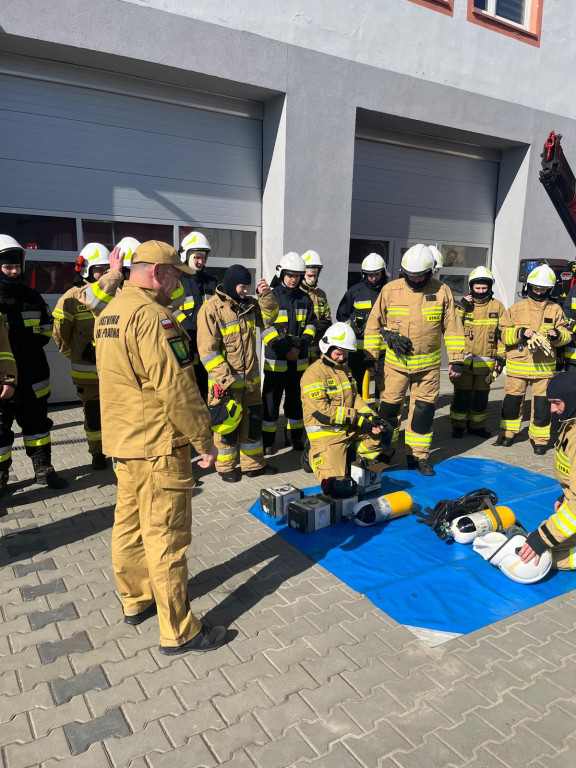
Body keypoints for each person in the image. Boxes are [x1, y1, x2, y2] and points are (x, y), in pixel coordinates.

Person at [94, 240, 226, 654]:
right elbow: (176, 388)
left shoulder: (109, 312)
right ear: (155, 273)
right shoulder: (154, 317)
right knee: (166, 536)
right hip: (158, 445)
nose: (178, 284)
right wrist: (204, 439)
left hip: (124, 443)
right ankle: (180, 631)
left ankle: (136, 600)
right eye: (175, 276)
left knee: (129, 526)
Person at [364, 244, 465, 476]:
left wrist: (457, 359)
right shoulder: (390, 290)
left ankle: (418, 456)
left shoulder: (442, 291)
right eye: (410, 275)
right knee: (389, 410)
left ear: (430, 272)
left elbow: (453, 328)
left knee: (423, 412)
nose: (415, 279)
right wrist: (371, 355)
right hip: (395, 366)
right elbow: (373, 324)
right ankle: (385, 449)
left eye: (420, 275)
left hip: (428, 369)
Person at [197, 264, 279, 482]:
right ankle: (226, 467)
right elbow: (207, 351)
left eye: (248, 287)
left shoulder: (250, 305)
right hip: (225, 385)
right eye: (243, 287)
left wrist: (266, 295)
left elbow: (269, 318)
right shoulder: (211, 309)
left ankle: (253, 465)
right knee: (227, 428)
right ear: (233, 284)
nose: (245, 291)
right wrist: (225, 379)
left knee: (252, 426)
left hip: (251, 383)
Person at [0, 235, 67, 491]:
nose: (15, 271)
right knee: (1, 430)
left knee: (38, 425)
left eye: (17, 266)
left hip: (34, 372)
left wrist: (23, 341)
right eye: (8, 267)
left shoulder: (33, 297)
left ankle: (43, 468)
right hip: (3, 378)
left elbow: (46, 329)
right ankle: (1, 477)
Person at [53, 242, 124, 469]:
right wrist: (74, 355)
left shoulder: (119, 294)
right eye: (98, 269)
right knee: (93, 416)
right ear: (85, 270)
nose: (102, 274)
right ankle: (97, 454)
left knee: (117, 413)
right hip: (87, 373)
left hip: (115, 371)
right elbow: (60, 335)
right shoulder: (72, 298)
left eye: (106, 269)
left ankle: (117, 452)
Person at [301, 322, 390, 482]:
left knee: (385, 431)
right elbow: (323, 411)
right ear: (327, 348)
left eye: (346, 353)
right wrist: (357, 418)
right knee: (336, 485)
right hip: (327, 432)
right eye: (338, 353)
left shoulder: (345, 371)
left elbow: (355, 398)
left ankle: (353, 459)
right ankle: (312, 455)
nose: (342, 358)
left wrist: (371, 417)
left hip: (347, 426)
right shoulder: (312, 375)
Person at [498, 265, 570, 455]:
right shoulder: (516, 309)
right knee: (512, 402)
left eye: (543, 289)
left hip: (543, 367)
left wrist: (556, 335)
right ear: (529, 287)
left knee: (542, 405)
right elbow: (503, 334)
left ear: (549, 289)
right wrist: (521, 333)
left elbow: (566, 334)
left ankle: (539, 440)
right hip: (517, 364)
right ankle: (507, 433)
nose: (539, 292)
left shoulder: (555, 310)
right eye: (536, 288)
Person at [519, 371, 576, 570]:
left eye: (557, 402)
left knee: (544, 560)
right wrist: (566, 495)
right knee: (541, 552)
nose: (552, 409)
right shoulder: (571, 423)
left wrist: (541, 539)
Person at [262, 252, 316, 454]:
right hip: (276, 362)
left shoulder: (305, 299)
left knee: (295, 404)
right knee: (270, 404)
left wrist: (299, 347)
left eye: (297, 276)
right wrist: (286, 350)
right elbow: (266, 328)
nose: (293, 279)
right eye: (289, 275)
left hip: (298, 363)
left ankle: (295, 439)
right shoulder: (271, 297)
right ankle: (268, 442)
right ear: (282, 274)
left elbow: (311, 326)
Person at [450, 267, 506, 439]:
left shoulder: (497, 306)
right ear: (471, 287)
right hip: (465, 363)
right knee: (462, 396)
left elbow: (503, 334)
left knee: (481, 398)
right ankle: (458, 426)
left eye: (484, 288)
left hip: (486, 365)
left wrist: (501, 357)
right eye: (477, 288)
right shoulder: (463, 306)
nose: (481, 291)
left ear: (489, 287)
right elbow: (452, 327)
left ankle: (477, 426)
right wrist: (461, 307)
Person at [174, 231, 218, 401]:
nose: (201, 261)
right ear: (186, 255)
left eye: (203, 257)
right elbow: (170, 310)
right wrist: (191, 330)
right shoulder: (176, 282)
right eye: (197, 257)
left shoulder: (211, 282)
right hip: (186, 347)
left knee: (208, 394)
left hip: (208, 348)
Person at [336, 253, 387, 392]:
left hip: (382, 350)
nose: (373, 277)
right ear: (363, 274)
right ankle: (356, 411)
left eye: (377, 274)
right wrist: (354, 326)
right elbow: (341, 317)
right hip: (357, 349)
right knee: (353, 383)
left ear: (383, 272)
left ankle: (380, 411)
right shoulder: (354, 291)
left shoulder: (389, 291)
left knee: (383, 384)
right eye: (369, 274)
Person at [300, 250, 332, 361]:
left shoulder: (321, 294)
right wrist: (314, 324)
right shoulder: (296, 293)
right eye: (310, 276)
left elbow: (327, 318)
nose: (313, 279)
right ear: (302, 274)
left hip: (317, 347)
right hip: (301, 345)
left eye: (315, 275)